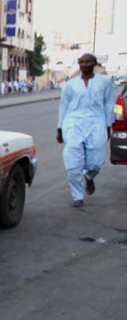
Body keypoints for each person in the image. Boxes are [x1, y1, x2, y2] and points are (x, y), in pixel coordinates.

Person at [57, 52, 114, 207]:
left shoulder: (105, 82)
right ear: (79, 64)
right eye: (82, 62)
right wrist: (60, 128)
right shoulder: (71, 84)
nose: (85, 65)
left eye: (88, 62)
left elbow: (109, 104)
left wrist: (109, 125)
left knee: (96, 161)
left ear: (94, 63)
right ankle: (77, 196)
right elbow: (64, 106)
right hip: (73, 123)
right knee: (72, 161)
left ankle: (89, 176)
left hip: (97, 123)